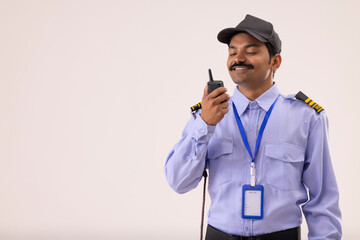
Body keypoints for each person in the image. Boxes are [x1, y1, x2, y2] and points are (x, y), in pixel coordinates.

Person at [164, 14, 342, 240]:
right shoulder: (207, 114)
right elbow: (179, 182)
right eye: (232, 51)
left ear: (275, 61)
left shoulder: (307, 117)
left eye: (251, 51)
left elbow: (323, 199)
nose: (238, 58)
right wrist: (205, 125)